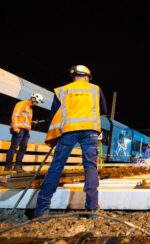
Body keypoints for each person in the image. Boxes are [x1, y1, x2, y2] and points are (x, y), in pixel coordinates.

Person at [34, 65, 108, 217]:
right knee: (90, 167)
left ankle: (42, 210)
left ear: (73, 76)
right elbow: (104, 110)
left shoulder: (62, 90)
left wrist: (53, 135)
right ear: (87, 77)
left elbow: (54, 115)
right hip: (90, 131)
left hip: (68, 131)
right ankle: (92, 209)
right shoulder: (95, 89)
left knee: (56, 166)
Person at [4, 93, 44, 172]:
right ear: (33, 99)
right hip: (18, 129)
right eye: (37, 102)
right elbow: (15, 115)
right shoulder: (21, 104)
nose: (37, 103)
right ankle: (8, 167)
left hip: (26, 130)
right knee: (14, 147)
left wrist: (32, 122)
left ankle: (18, 166)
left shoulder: (30, 108)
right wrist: (15, 128)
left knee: (23, 147)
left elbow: (25, 119)